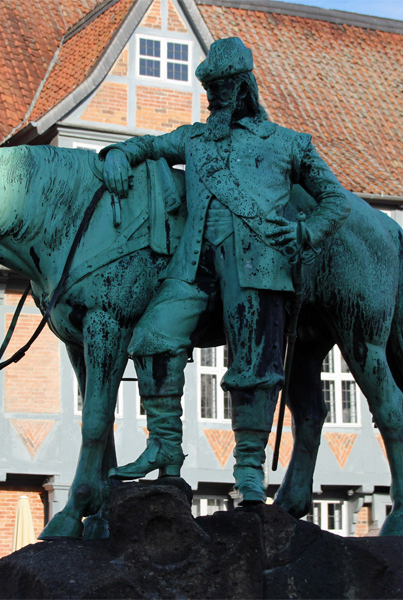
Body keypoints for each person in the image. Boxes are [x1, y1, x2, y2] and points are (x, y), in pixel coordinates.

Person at [100, 37, 350, 504]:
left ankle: (249, 469)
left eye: (222, 87)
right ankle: (164, 446)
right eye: (209, 88)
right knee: (152, 337)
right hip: (194, 266)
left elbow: (335, 200)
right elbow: (147, 145)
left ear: (244, 87)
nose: (214, 96)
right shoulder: (193, 139)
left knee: (253, 367)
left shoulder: (288, 144)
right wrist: (116, 153)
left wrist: (305, 233)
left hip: (258, 269)